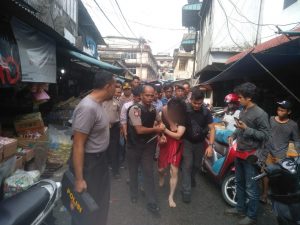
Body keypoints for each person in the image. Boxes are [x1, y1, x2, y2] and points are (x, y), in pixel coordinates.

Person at [71, 71, 115, 225]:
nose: (116, 89)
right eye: (115, 85)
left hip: (99, 160)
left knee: (99, 203)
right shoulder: (87, 107)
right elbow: (78, 144)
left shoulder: (98, 104)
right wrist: (79, 178)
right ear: (108, 86)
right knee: (85, 207)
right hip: (90, 164)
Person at [226, 82, 270, 225]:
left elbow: (265, 135)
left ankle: (251, 216)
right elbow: (240, 127)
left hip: (251, 156)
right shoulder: (243, 110)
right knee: (239, 182)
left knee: (251, 188)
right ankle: (239, 209)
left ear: (249, 97)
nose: (238, 99)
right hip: (239, 152)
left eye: (240, 97)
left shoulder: (261, 114)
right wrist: (233, 134)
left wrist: (246, 129)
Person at [126, 85, 165, 214]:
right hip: (134, 146)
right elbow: (139, 129)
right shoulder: (135, 109)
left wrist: (162, 134)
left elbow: (160, 122)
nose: (149, 98)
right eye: (147, 95)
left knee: (148, 172)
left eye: (152, 95)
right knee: (133, 172)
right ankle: (133, 193)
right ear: (141, 96)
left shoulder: (154, 109)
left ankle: (152, 201)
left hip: (148, 145)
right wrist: (157, 130)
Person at [260, 100, 300, 203]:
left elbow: (296, 140)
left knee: (278, 177)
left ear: (289, 112)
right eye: (278, 110)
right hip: (268, 152)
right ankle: (264, 195)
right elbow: (265, 133)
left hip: (281, 155)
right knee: (265, 173)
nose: (279, 112)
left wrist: (298, 151)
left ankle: (276, 197)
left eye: (282, 110)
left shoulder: (293, 125)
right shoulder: (271, 119)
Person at [181, 89, 215, 203]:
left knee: (196, 165)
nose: (196, 105)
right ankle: (186, 191)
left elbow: (212, 128)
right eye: (194, 103)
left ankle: (191, 178)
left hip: (200, 143)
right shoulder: (184, 109)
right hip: (187, 142)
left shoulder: (206, 112)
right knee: (187, 165)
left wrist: (210, 145)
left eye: (199, 103)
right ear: (191, 100)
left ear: (202, 101)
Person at [158, 98, 186, 208]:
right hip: (165, 142)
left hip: (176, 144)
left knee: (174, 171)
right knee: (161, 169)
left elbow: (178, 135)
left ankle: (171, 196)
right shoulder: (163, 111)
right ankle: (161, 176)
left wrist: (165, 130)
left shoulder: (183, 117)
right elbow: (158, 125)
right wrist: (161, 135)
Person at [103, 87, 121, 179]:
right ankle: (104, 171)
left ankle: (115, 171)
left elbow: (120, 114)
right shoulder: (102, 101)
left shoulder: (117, 101)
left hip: (115, 128)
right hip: (103, 129)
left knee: (114, 149)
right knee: (104, 149)